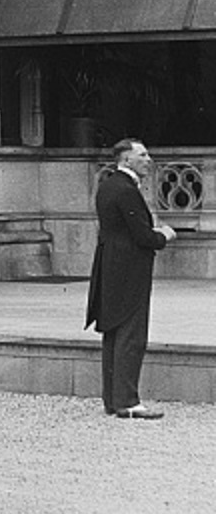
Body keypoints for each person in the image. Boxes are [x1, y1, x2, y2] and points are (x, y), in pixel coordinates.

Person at [86, 139, 176, 420]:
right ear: (126, 160)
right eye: (142, 155)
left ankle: (114, 400)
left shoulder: (108, 185)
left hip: (112, 265)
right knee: (131, 334)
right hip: (128, 268)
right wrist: (164, 235)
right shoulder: (125, 190)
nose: (148, 159)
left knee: (114, 332)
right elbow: (142, 236)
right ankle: (127, 401)